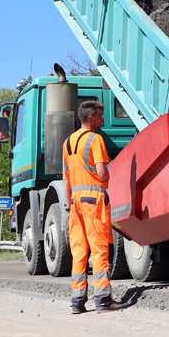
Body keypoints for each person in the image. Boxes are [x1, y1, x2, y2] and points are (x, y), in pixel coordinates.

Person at [63, 100, 120, 313]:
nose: (101, 119)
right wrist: (104, 184)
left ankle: (77, 302)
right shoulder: (95, 140)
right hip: (94, 200)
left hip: (75, 202)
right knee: (99, 249)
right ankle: (103, 300)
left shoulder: (67, 142)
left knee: (79, 251)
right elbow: (102, 172)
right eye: (99, 115)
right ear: (90, 117)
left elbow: (66, 178)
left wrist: (69, 202)